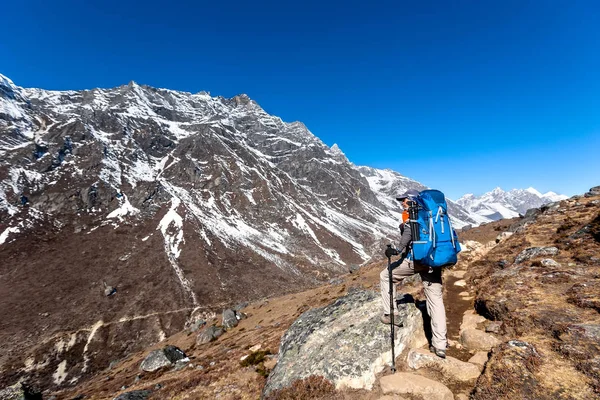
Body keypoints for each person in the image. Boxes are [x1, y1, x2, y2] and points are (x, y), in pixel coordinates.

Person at [380, 189, 448, 358]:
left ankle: (391, 314)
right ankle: (440, 345)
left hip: (415, 260)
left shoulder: (414, 215)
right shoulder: (436, 215)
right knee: (436, 300)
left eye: (403, 200)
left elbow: (406, 239)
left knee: (386, 276)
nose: (401, 203)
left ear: (411, 200)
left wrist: (395, 250)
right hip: (434, 261)